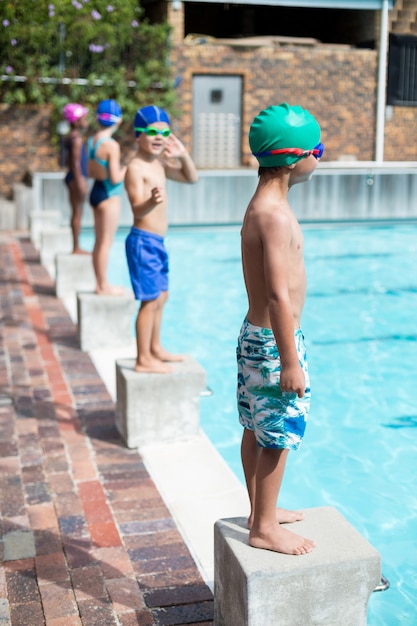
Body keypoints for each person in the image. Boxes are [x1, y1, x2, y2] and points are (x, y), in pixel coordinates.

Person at [237, 103, 324, 555]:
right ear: (293, 159)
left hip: (256, 337)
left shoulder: (262, 206)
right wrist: (290, 360)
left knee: (255, 427)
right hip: (274, 343)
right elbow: (278, 296)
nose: (319, 158)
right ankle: (264, 528)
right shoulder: (275, 214)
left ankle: (260, 511)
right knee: (278, 435)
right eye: (318, 149)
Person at [124, 105, 198, 373]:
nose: (159, 137)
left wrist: (183, 155)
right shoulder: (135, 168)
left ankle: (155, 347)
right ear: (138, 135)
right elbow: (135, 208)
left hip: (156, 242)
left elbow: (191, 178)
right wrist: (150, 201)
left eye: (165, 132)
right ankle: (143, 358)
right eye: (152, 131)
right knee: (150, 299)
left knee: (161, 296)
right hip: (143, 241)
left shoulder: (159, 164)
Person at [87, 98, 127, 295]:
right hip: (109, 196)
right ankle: (103, 286)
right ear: (118, 121)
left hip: (95, 191)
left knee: (98, 241)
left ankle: (99, 283)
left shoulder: (92, 140)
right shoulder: (111, 145)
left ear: (97, 118)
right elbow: (115, 177)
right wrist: (127, 169)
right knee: (106, 243)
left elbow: (90, 170)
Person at [63, 103, 90, 254]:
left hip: (72, 177)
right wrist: (80, 183)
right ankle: (76, 247)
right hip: (75, 179)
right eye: (84, 118)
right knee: (77, 212)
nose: (86, 121)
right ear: (76, 121)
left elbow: (67, 161)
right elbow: (75, 163)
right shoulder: (77, 139)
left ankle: (76, 246)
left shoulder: (71, 137)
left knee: (76, 212)